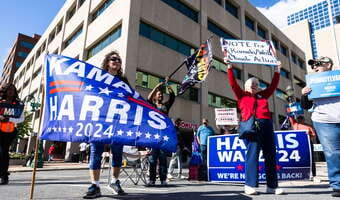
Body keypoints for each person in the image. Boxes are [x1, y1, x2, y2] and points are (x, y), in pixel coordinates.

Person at [227, 61, 284, 195]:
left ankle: (272, 186)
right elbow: (233, 84)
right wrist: (229, 67)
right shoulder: (242, 95)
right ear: (246, 87)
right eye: (252, 84)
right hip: (252, 127)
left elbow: (273, 85)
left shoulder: (263, 95)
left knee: (270, 155)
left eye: (256, 84)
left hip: (267, 125)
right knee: (252, 155)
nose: (255, 86)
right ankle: (250, 185)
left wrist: (277, 70)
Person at [83, 51, 128, 199]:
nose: (116, 61)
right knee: (96, 152)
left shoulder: (123, 80)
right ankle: (95, 185)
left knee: (117, 153)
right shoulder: (99, 77)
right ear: (107, 62)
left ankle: (115, 182)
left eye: (118, 59)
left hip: (117, 121)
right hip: (99, 120)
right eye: (113, 59)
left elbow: (130, 99)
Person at [300, 56, 340, 197]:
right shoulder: (312, 83)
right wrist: (304, 95)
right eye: (313, 66)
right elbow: (306, 106)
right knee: (333, 153)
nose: (314, 68)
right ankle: (338, 185)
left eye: (318, 64)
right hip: (324, 121)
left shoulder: (338, 78)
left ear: (328, 65)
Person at [146, 77, 175, 186]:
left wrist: (168, 85)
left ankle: (163, 179)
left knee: (163, 159)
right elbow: (148, 98)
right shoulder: (151, 106)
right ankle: (152, 180)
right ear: (155, 96)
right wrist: (156, 87)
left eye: (162, 95)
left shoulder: (165, 106)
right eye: (158, 94)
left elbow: (172, 97)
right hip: (153, 135)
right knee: (152, 159)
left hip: (164, 136)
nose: (161, 95)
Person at [0, 83, 25, 185]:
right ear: (5, 91)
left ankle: (4, 176)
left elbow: (21, 119)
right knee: (2, 153)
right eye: (9, 89)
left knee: (3, 154)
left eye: (13, 90)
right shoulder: (0, 102)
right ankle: (3, 175)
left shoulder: (17, 105)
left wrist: (9, 118)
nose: (11, 91)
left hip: (10, 132)